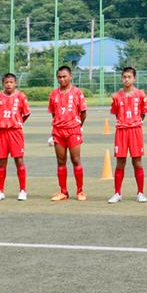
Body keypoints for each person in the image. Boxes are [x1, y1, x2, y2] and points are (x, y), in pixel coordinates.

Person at [108, 67, 147, 204]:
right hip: (121, 131)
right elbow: (116, 113)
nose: (126, 79)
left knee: (137, 161)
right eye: (124, 77)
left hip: (136, 130)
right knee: (120, 162)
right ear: (122, 78)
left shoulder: (141, 95)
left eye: (129, 77)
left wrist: (134, 123)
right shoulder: (116, 96)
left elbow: (142, 113)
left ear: (134, 78)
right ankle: (117, 193)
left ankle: (140, 193)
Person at [48, 66, 88, 202]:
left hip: (73, 130)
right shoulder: (53, 94)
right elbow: (54, 113)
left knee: (76, 160)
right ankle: (63, 191)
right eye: (59, 77)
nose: (62, 79)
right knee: (61, 161)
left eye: (64, 76)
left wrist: (77, 126)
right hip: (58, 131)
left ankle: (80, 191)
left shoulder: (77, 92)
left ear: (70, 77)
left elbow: (83, 113)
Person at [0, 73, 30, 202]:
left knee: (19, 161)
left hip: (16, 132)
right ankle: (0, 191)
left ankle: (22, 190)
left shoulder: (21, 96)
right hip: (2, 133)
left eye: (11, 82)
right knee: (1, 163)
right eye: (6, 82)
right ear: (3, 83)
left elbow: (26, 113)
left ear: (15, 83)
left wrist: (17, 122)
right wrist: (2, 121)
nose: (9, 84)